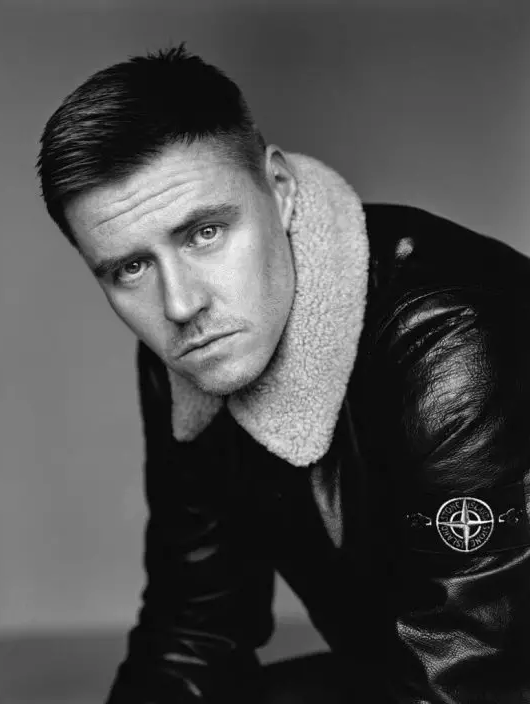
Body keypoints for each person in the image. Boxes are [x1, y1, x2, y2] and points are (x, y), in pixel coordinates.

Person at [37, 45, 530, 703]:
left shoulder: (450, 335)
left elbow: (468, 678)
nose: (180, 305)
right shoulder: (187, 355)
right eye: (130, 268)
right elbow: (195, 630)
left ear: (281, 190)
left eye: (204, 233)